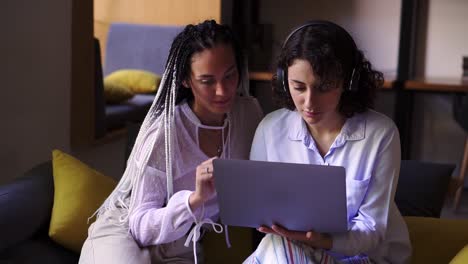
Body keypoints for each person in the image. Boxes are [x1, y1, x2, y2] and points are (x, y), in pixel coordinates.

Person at [79, 20, 263, 264]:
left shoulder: (248, 115)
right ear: (186, 80)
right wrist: (195, 199)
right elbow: (140, 226)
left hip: (183, 244)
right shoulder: (164, 132)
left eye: (229, 76)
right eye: (207, 81)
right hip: (126, 232)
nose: (222, 90)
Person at [244, 21, 412, 263]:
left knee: (277, 249)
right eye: (299, 87)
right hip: (294, 252)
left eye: (324, 88)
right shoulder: (270, 129)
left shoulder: (381, 134)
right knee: (276, 246)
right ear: (284, 80)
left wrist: (321, 240)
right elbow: (259, 209)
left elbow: (372, 230)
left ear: (349, 82)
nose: (309, 102)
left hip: (363, 257)